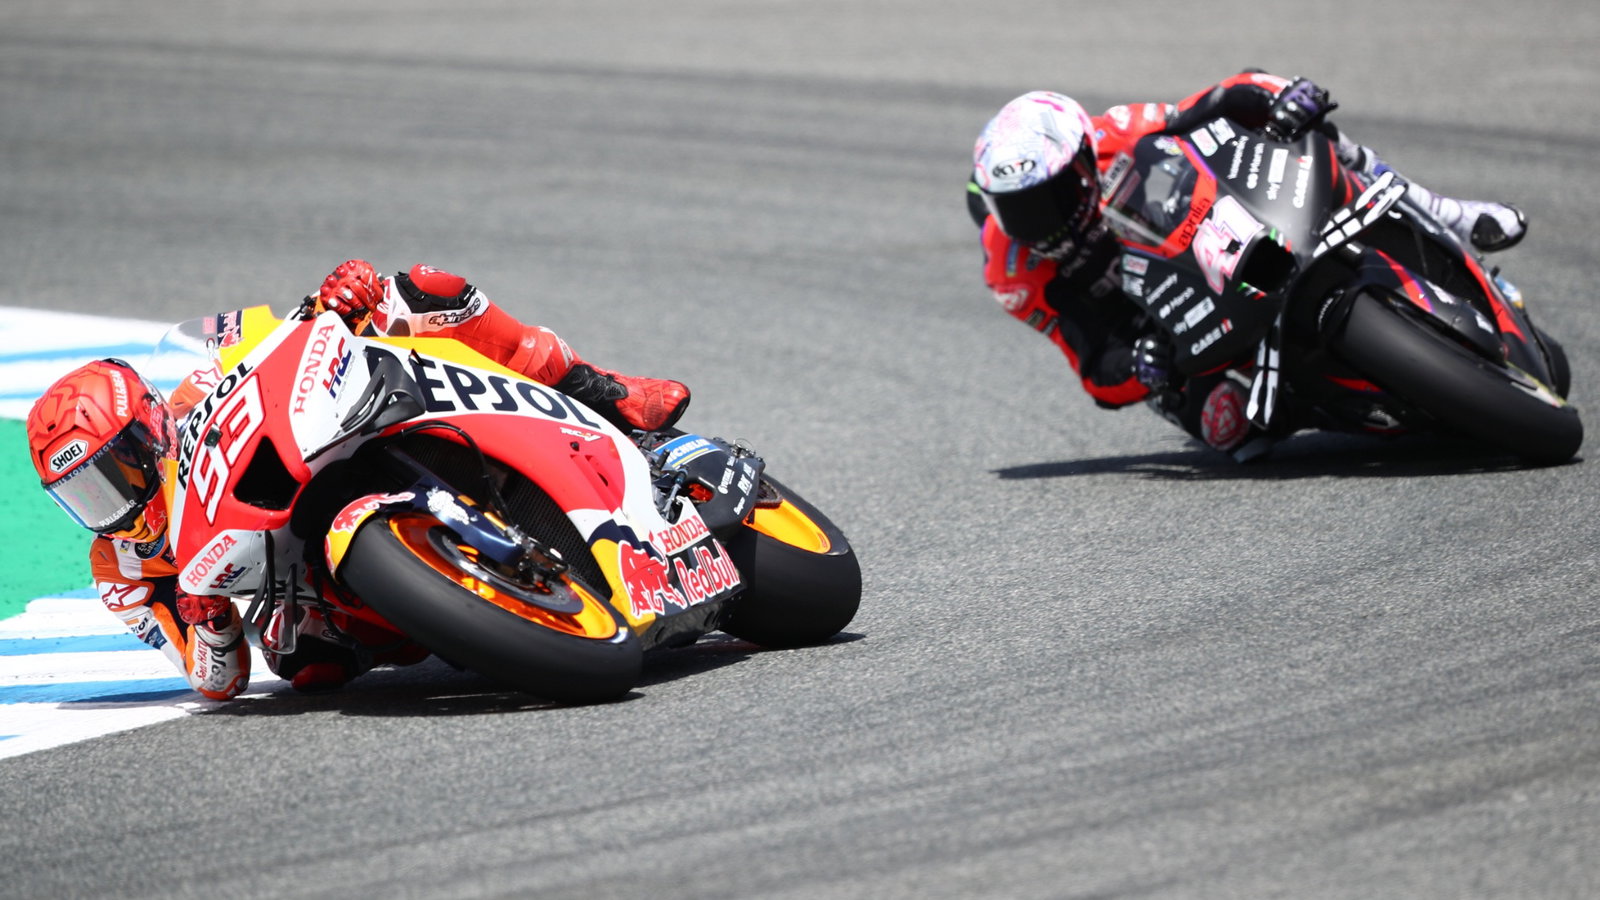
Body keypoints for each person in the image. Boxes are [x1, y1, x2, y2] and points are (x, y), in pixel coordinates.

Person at [24, 261, 691, 697]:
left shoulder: (197, 391)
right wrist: (211, 625)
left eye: (110, 477)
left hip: (338, 440)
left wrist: (332, 300)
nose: (109, 506)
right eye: (82, 495)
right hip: (303, 583)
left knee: (426, 291)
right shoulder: (123, 571)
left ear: (147, 435)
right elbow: (216, 683)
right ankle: (462, 610)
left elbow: (274, 339)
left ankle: (606, 391)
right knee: (304, 665)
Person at [966, 71, 1528, 458]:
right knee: (1227, 427)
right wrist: (1140, 366)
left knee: (1315, 132)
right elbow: (1092, 365)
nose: (1039, 222)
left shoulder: (1114, 130)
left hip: (1219, 233)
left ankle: (1443, 212)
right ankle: (1332, 406)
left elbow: (1220, 100)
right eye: (1015, 209)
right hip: (1167, 327)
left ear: (1084, 161)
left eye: (1051, 196)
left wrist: (1284, 97)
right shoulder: (1013, 272)